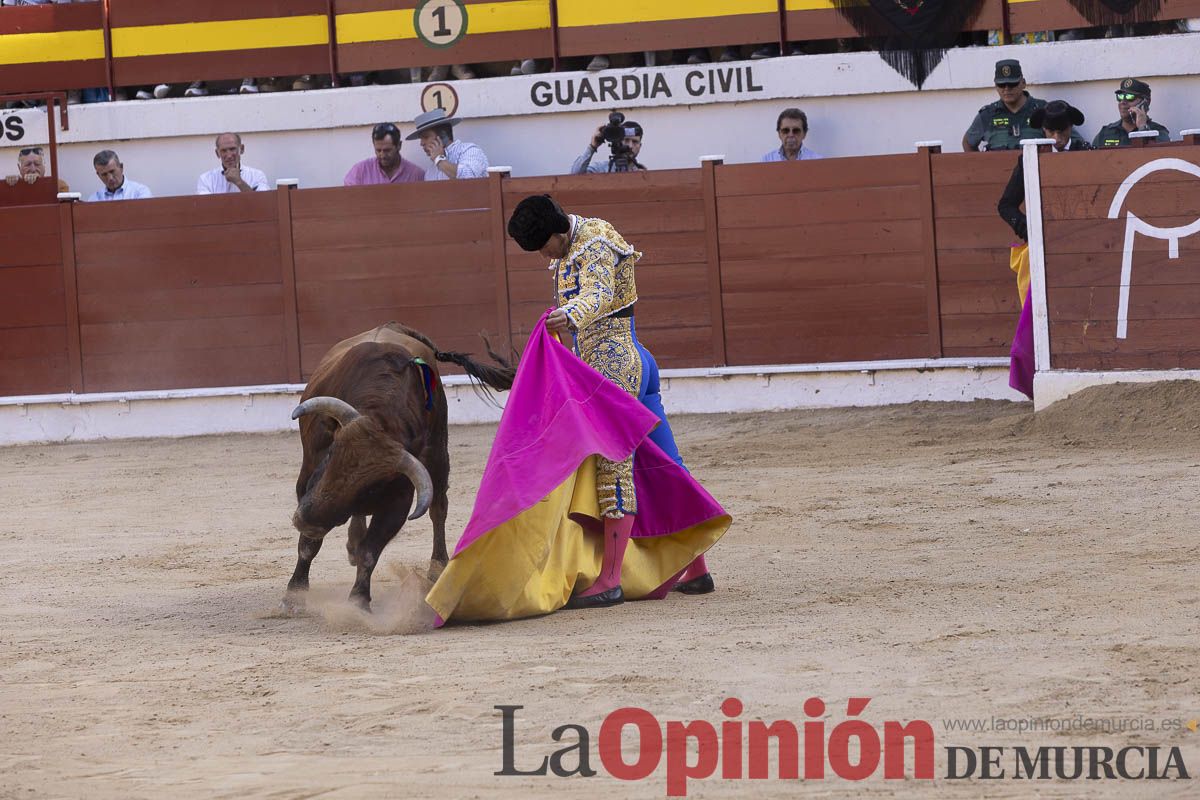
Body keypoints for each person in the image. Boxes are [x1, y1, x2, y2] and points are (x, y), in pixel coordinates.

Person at [506, 195, 716, 606]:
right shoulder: (577, 242)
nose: (542, 256)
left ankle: (611, 579)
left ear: (556, 231)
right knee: (665, 464)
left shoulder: (595, 240)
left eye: (542, 247)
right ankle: (697, 570)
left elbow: (600, 294)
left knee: (612, 464)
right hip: (625, 361)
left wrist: (570, 314)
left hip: (614, 364)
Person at [995, 100, 1091, 401]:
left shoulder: (1086, 154)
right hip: (1045, 252)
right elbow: (1006, 205)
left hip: (1083, 250)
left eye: (1060, 131)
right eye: (1050, 130)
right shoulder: (1030, 158)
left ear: (1070, 128)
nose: (1056, 137)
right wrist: (1033, 232)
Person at [963, 59, 1047, 152]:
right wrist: (981, 164)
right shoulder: (987, 114)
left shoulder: (1043, 110)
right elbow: (968, 142)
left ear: (1023, 83)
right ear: (995, 86)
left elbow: (1059, 139)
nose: (1007, 89)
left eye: (1012, 84)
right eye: (1001, 84)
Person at [405, 109, 489, 181]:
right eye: (421, 138)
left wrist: (439, 160)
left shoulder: (469, 151)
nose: (421, 143)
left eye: (426, 137)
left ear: (442, 136)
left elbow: (469, 177)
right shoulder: (431, 171)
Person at [1092, 78, 1170, 148]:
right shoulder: (1106, 132)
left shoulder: (1158, 132)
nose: (1123, 102)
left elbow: (1157, 158)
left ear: (1145, 102)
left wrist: (1143, 128)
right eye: (1120, 97)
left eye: (1129, 97)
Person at [343, 122, 425, 186]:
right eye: (378, 150)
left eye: (387, 150)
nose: (382, 155)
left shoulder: (416, 175)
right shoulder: (360, 171)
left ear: (399, 146)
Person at [197, 133, 270, 194]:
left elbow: (261, 203)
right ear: (217, 153)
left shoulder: (257, 176)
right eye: (224, 150)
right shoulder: (206, 179)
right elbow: (205, 207)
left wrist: (239, 182)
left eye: (232, 149)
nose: (229, 155)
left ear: (241, 149)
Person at [570, 117, 646, 174]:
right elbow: (575, 175)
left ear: (640, 146)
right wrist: (592, 147)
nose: (630, 146)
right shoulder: (602, 169)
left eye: (635, 142)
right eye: (626, 140)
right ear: (618, 141)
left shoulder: (642, 172)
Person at [87, 150, 152, 201]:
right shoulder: (94, 199)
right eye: (104, 174)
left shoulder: (140, 192)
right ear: (98, 175)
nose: (110, 178)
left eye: (112, 171)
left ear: (121, 167)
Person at [4, 146, 68, 192]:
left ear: (44, 166)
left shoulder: (58, 186)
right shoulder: (13, 188)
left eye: (37, 164)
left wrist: (39, 182)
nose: (33, 169)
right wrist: (9, 185)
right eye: (28, 165)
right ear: (19, 168)